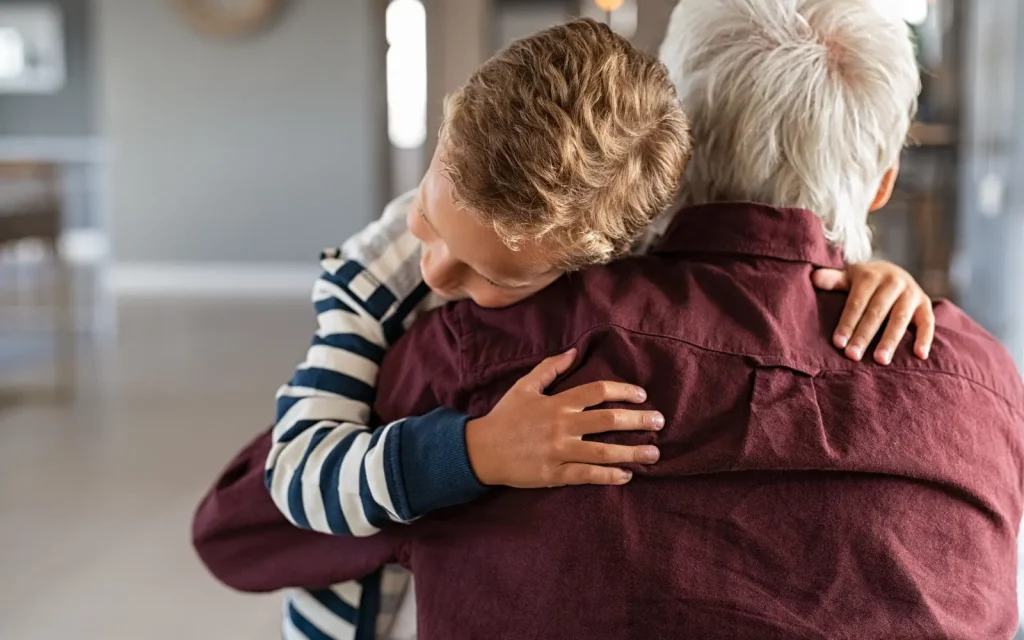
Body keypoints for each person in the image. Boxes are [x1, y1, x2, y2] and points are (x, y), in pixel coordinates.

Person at [192, 3, 1016, 637]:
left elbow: (237, 534)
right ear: (881, 185)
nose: (441, 272)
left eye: (490, 271)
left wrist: (465, 454)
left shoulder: (494, 351)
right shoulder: (979, 380)